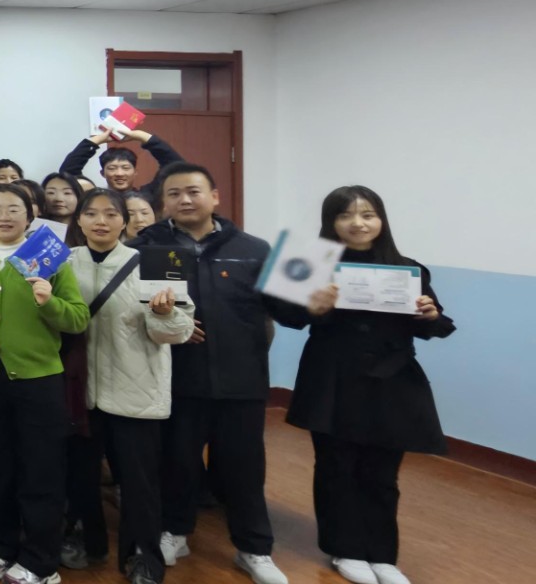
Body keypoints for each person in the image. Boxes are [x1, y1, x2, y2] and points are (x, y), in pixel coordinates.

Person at [127, 163, 299, 584]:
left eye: (193, 191)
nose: (184, 200)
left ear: (215, 197)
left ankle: (254, 549)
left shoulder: (254, 249)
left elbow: (288, 312)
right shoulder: (145, 248)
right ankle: (175, 531)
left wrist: (315, 299)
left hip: (242, 381)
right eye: (174, 194)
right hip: (177, 379)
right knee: (178, 463)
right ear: (162, 202)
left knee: (244, 470)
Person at [289, 187, 452, 584]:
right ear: (331, 221)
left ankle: (383, 555)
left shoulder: (408, 268)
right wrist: (313, 306)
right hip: (332, 379)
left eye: (368, 214)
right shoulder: (310, 261)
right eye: (346, 215)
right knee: (336, 467)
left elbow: (436, 325)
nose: (358, 223)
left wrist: (429, 315)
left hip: (391, 380)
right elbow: (284, 314)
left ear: (381, 220)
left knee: (382, 472)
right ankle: (345, 550)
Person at [0, 183, 89, 584]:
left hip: (39, 381)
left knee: (41, 470)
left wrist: (50, 303)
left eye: (14, 209)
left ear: (30, 216)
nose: (4, 216)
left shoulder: (49, 260)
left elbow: (78, 318)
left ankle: (41, 561)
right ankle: (0, 545)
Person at [66, 191, 195, 584]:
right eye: (91, 213)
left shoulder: (151, 263)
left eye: (110, 214)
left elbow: (179, 331)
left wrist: (164, 313)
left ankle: (143, 557)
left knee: (140, 484)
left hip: (136, 390)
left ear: (125, 221)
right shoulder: (63, 262)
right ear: (79, 220)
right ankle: (88, 541)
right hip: (80, 392)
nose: (100, 221)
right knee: (80, 475)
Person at [60, 129, 185, 195]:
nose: (119, 173)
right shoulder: (95, 199)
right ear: (102, 173)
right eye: (112, 168)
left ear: (135, 172)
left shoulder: (148, 195)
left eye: (125, 168)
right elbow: (67, 174)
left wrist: (141, 136)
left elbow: (177, 168)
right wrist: (96, 140)